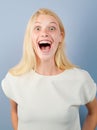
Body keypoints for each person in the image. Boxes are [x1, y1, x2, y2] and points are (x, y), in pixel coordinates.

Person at [1, 8, 97, 130]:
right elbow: (14, 112)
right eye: (37, 28)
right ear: (30, 37)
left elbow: (94, 112)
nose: (44, 33)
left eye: (51, 28)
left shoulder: (80, 79)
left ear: (60, 37)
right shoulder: (14, 79)